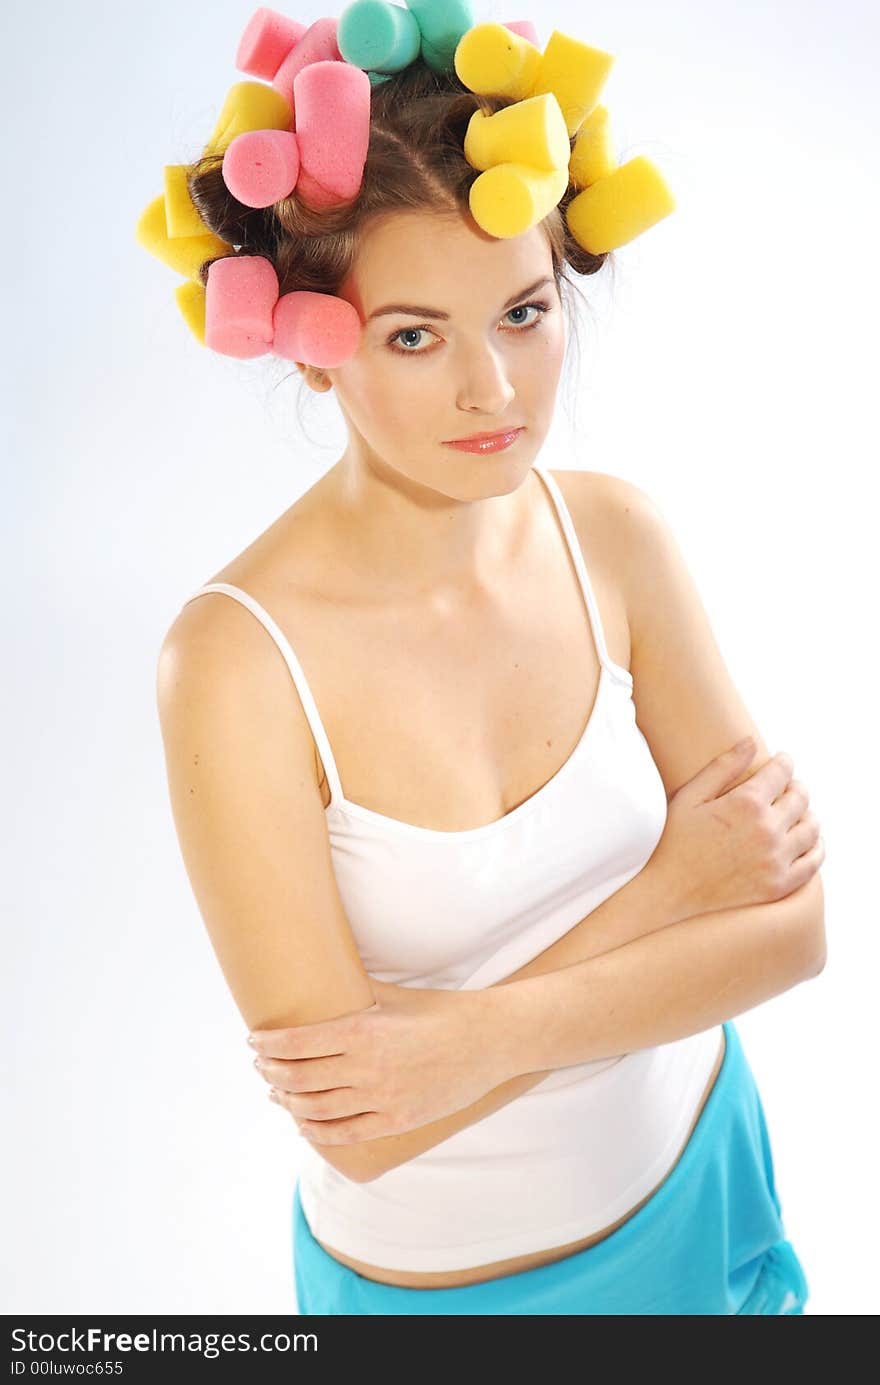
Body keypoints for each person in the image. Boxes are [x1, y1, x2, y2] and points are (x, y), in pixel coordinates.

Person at [149, 6, 826, 1314]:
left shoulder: (617, 537)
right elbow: (364, 1125)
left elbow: (793, 931)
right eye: (415, 334)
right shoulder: (232, 665)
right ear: (308, 337)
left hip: (710, 1190)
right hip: (439, 1299)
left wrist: (457, 1041)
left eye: (524, 310)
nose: (497, 390)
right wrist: (682, 889)